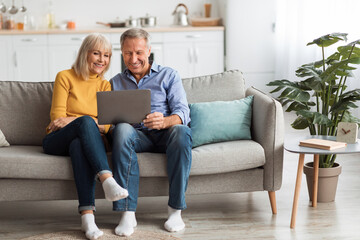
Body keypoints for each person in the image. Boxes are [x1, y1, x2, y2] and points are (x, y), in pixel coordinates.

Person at [42, 33, 129, 240]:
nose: (102, 60)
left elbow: (107, 125)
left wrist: (74, 120)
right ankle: (107, 179)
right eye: (96, 53)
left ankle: (87, 219)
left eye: (107, 55)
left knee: (78, 144)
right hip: (55, 139)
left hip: (80, 141)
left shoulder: (104, 85)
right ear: (85, 54)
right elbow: (56, 118)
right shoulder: (65, 76)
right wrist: (87, 121)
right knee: (87, 124)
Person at [110, 28, 192, 237]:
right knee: (121, 130)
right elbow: (108, 122)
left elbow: (183, 112)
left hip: (167, 135)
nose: (134, 58)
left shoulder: (169, 75)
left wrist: (164, 121)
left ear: (149, 51)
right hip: (136, 137)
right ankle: (127, 212)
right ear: (122, 52)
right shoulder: (115, 82)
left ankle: (175, 210)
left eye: (139, 52)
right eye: (128, 53)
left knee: (181, 132)